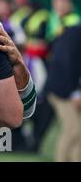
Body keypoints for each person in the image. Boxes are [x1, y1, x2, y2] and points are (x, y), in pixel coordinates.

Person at [45, 25, 81, 162]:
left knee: (78, 133)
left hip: (70, 88)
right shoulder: (75, 33)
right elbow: (66, 63)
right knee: (72, 131)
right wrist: (76, 93)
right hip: (62, 90)